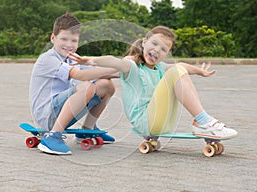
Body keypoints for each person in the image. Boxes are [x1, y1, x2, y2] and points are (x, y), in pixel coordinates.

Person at [68, 25, 237, 141]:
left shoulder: (161, 67)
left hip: (163, 123)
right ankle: (203, 121)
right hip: (145, 122)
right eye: (154, 44)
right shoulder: (132, 66)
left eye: (163, 49)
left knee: (178, 70)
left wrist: (200, 72)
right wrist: (91, 60)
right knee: (177, 72)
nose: (157, 50)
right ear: (144, 42)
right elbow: (114, 62)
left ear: (166, 54)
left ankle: (202, 121)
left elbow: (181, 66)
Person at [29, 12, 117, 155]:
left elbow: (100, 72)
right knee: (86, 86)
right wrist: (115, 67)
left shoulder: (73, 59)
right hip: (47, 116)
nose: (69, 45)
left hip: (63, 113)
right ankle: (52, 137)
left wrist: (128, 69)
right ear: (53, 38)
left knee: (106, 85)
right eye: (64, 39)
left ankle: (87, 130)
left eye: (74, 41)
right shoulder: (48, 59)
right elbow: (81, 75)